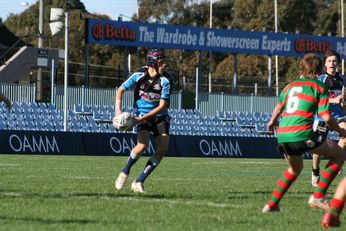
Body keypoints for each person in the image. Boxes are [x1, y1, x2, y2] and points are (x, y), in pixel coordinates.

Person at [262, 53, 346, 213]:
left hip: (283, 135)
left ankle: (272, 205)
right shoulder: (319, 87)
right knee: (340, 154)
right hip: (302, 134)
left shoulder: (290, 86)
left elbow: (279, 107)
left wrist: (272, 121)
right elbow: (327, 117)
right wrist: (341, 130)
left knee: (294, 169)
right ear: (320, 68)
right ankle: (319, 195)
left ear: (301, 68)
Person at [114, 49, 174, 193]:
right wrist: (118, 111)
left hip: (159, 115)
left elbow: (162, 106)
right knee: (142, 145)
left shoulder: (167, 79)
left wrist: (138, 120)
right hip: (141, 113)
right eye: (162, 62)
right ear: (153, 63)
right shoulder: (138, 75)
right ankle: (125, 171)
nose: (165, 65)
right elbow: (120, 90)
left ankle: (139, 181)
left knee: (162, 149)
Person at [311, 50, 346, 187]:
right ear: (325, 63)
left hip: (338, 116)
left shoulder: (342, 79)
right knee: (318, 147)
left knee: (345, 136)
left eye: (335, 61)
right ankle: (315, 171)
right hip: (323, 116)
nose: (332, 63)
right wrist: (334, 100)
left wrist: (342, 101)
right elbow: (318, 98)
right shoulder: (321, 79)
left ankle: (334, 159)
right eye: (330, 61)